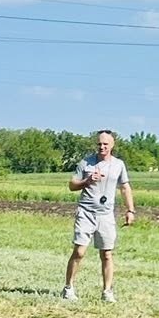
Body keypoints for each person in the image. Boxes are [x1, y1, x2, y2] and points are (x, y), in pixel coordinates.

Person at [62, 129, 135, 302]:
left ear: (112, 145)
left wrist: (130, 210)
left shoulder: (118, 165)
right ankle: (68, 288)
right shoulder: (86, 163)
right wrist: (87, 181)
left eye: (105, 144)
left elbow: (125, 188)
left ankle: (107, 291)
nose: (102, 147)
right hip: (86, 212)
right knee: (79, 251)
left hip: (106, 215)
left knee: (107, 254)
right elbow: (72, 185)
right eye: (99, 144)